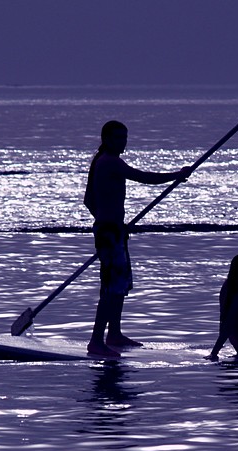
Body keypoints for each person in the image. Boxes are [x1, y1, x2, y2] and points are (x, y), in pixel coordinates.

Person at [84, 120, 192, 358]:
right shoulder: (109, 162)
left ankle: (114, 334)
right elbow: (143, 177)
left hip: (115, 231)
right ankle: (96, 341)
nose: (122, 141)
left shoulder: (104, 162)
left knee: (120, 285)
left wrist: (111, 222)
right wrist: (177, 175)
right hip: (109, 234)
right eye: (117, 137)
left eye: (124, 137)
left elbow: (88, 201)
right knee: (110, 289)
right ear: (106, 139)